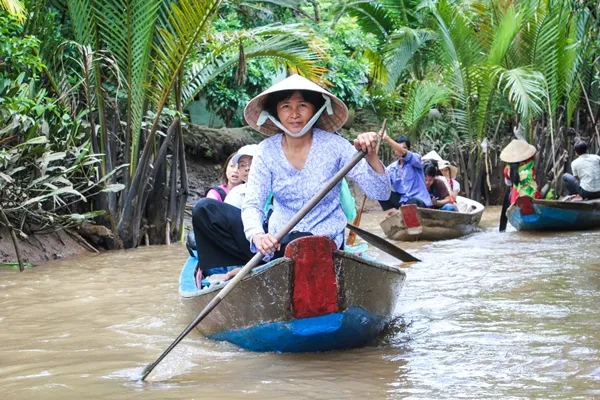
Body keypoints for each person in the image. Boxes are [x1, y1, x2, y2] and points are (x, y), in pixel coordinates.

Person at [191, 74, 390, 283]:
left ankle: (261, 265)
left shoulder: (336, 146)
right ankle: (232, 271)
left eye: (302, 105)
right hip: (275, 244)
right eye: (286, 106)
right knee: (205, 209)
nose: (294, 114)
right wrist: (258, 235)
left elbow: (381, 192)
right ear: (275, 111)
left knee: (300, 241)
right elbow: (252, 204)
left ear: (315, 109)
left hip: (322, 245)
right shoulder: (265, 151)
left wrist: (371, 156)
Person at [378, 135, 431, 212]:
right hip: (402, 201)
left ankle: (403, 211)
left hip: (419, 201)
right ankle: (393, 213)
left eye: (404, 148)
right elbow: (382, 181)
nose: (399, 151)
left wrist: (387, 139)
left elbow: (404, 153)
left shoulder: (415, 159)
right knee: (380, 192)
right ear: (394, 150)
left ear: (408, 150)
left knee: (412, 202)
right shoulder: (391, 168)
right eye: (397, 148)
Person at [500, 139, 541, 205]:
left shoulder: (507, 169)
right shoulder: (530, 162)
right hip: (533, 196)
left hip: (516, 199)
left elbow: (508, 183)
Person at [224, 144, 259, 208]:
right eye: (242, 165)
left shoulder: (277, 190)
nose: (247, 168)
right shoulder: (236, 193)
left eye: (252, 163)